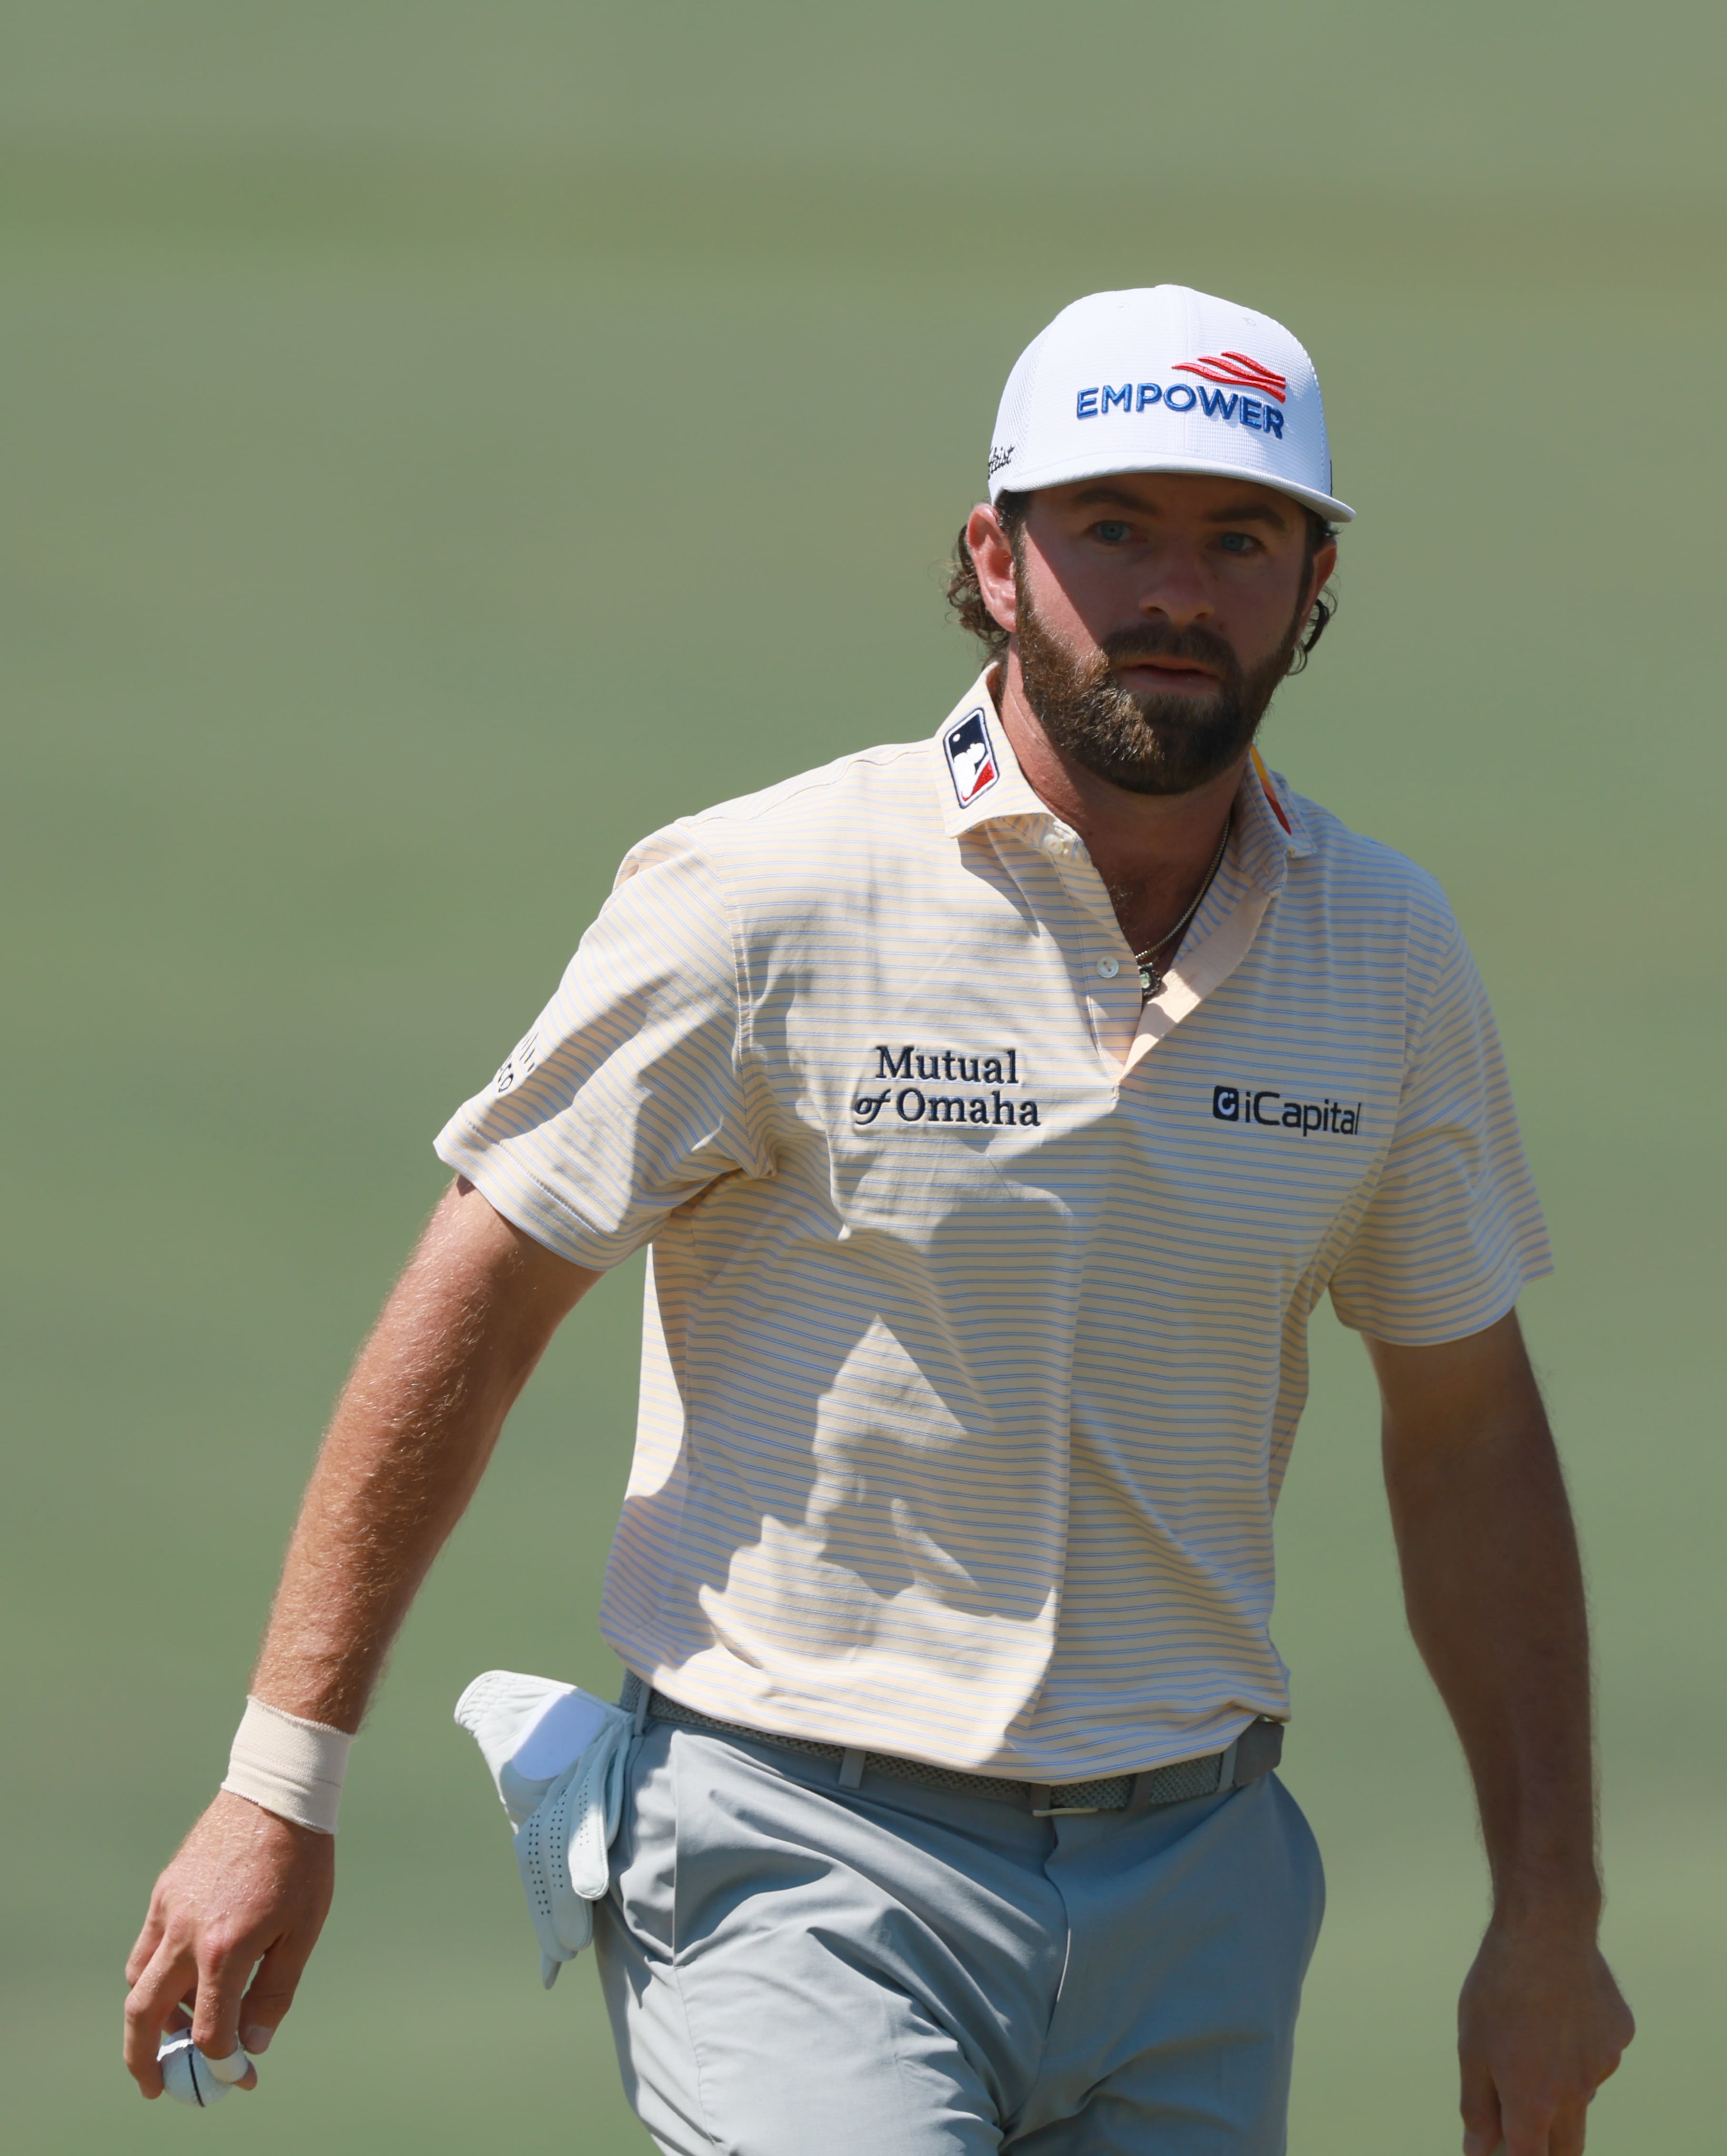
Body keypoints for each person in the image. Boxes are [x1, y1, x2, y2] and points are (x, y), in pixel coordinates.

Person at [123, 284, 1633, 2154]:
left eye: (1239, 539)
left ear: (1314, 581)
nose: (1175, 594)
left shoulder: (1387, 956)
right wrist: (280, 1781)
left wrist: (1548, 1910)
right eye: (1113, 530)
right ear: (996, 559)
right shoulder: (768, 895)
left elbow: (1469, 1433)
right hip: (799, 1856)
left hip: (1203, 1896)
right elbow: (483, 1296)